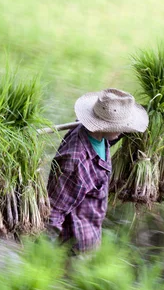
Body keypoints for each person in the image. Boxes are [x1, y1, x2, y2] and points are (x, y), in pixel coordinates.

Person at [46, 88, 148, 253]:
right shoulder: (77, 160)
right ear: (105, 126)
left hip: (91, 232)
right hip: (74, 246)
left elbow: (109, 139)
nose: (124, 130)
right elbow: (54, 209)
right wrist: (42, 254)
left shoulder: (96, 135)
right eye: (120, 126)